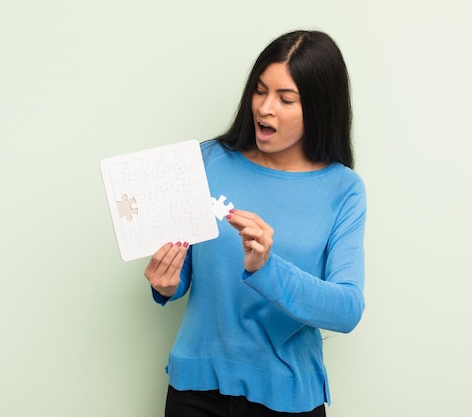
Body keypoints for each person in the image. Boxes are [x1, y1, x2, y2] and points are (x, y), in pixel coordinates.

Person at [144, 29, 366, 417]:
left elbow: (346, 310)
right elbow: (184, 276)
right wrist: (167, 283)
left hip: (287, 397)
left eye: (285, 99)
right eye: (260, 91)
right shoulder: (207, 160)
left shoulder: (343, 189)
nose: (265, 108)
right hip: (194, 388)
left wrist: (267, 267)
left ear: (319, 107)